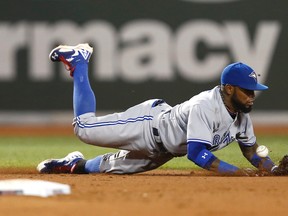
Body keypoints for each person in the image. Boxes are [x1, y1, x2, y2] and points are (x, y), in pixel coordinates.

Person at [37, 43, 279, 176]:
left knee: (100, 168)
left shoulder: (242, 115)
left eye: (253, 90)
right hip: (147, 126)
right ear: (228, 89)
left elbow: (251, 152)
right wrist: (236, 173)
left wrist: (273, 168)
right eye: (247, 90)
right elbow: (198, 154)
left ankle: (71, 164)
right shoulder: (206, 105)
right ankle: (79, 60)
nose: (251, 96)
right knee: (84, 129)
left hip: (162, 152)